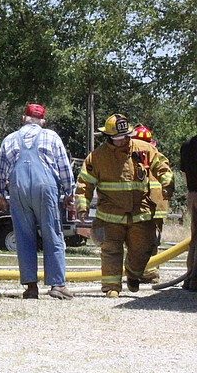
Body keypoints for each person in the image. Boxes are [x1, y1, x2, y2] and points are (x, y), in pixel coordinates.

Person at [75, 114, 174, 297]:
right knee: (111, 251)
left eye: (126, 137)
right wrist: (82, 206)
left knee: (142, 249)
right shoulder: (97, 157)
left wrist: (167, 183)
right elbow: (84, 183)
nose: (123, 141)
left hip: (140, 214)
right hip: (110, 215)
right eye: (118, 139)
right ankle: (111, 288)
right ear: (108, 137)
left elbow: (162, 166)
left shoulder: (144, 150)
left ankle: (133, 273)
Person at [0, 103, 76, 300]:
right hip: (45, 188)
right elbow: (64, 167)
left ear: (24, 118)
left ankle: (30, 287)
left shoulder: (10, 139)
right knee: (52, 234)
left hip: (18, 189)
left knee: (23, 236)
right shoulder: (51, 136)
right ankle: (57, 284)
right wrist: (69, 193)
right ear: (43, 121)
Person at [130, 125, 165, 283]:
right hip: (158, 206)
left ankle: (145, 272)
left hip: (142, 207)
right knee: (153, 240)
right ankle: (150, 272)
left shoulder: (132, 159)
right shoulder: (158, 156)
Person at [181, 134, 197, 291]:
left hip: (193, 194)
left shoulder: (187, 145)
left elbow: (184, 174)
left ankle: (190, 278)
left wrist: (191, 191)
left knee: (194, 239)